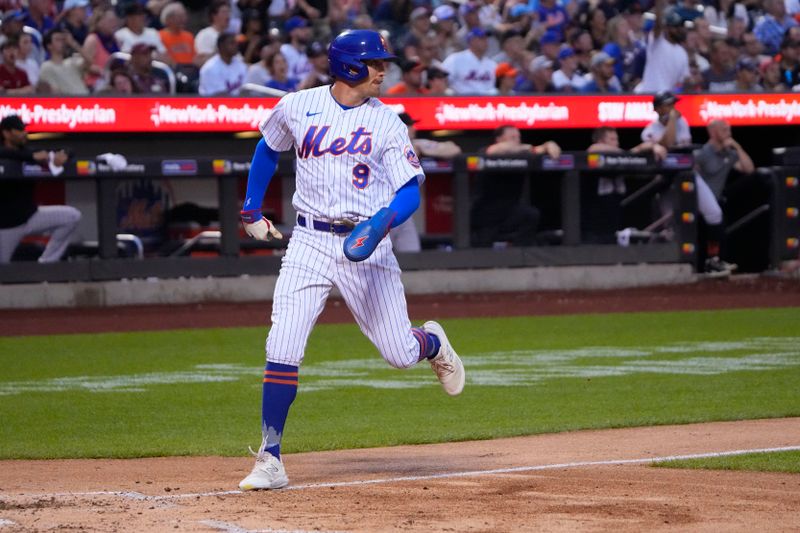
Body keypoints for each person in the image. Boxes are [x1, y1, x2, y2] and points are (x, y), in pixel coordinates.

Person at [237, 29, 465, 491]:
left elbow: (409, 191)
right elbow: (267, 147)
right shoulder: (297, 106)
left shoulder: (387, 122)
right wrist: (250, 209)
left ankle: (433, 344)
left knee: (400, 354)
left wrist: (382, 222)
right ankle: (270, 458)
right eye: (375, 62)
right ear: (349, 66)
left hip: (368, 242)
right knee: (282, 345)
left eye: (384, 62)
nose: (383, 70)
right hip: (309, 241)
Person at [0, 115, 80, 263]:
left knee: (71, 216)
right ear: (6, 133)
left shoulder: (30, 150)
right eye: (19, 130)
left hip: (31, 216)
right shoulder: (13, 153)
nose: (24, 132)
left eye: (24, 129)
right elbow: (7, 154)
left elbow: (68, 149)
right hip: (6, 226)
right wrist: (29, 156)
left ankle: (46, 263)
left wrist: (64, 154)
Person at [470, 125, 561, 248]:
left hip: (509, 212)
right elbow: (498, 150)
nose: (517, 140)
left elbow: (553, 151)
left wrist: (549, 145)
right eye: (512, 137)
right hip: (486, 215)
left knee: (531, 215)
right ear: (498, 139)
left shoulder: (523, 154)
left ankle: (521, 254)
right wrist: (536, 148)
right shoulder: (487, 151)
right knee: (481, 250)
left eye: (518, 137)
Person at [389, 111, 462, 253]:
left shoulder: (416, 144)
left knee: (412, 253)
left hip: (403, 208)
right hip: (379, 207)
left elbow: (454, 149)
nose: (414, 129)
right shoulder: (382, 143)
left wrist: (425, 150)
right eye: (410, 125)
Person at [584, 126, 667, 243]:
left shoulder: (622, 161)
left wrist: (650, 147)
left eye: (616, 139)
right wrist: (636, 150)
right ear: (601, 141)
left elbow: (638, 172)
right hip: (596, 221)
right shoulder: (595, 152)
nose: (616, 143)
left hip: (617, 219)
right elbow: (593, 149)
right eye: (612, 139)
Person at [693, 119, 754, 275]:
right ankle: (709, 263)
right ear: (713, 132)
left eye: (729, 129)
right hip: (697, 204)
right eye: (724, 130)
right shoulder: (703, 153)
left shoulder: (729, 154)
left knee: (718, 230)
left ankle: (714, 261)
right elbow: (691, 175)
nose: (729, 133)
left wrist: (737, 147)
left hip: (715, 202)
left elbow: (749, 169)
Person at [634, 0, 690, 93]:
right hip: (647, 94)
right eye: (676, 27)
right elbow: (658, 24)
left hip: (666, 99)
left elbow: (683, 81)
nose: (680, 30)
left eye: (681, 27)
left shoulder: (682, 53)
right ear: (667, 28)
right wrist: (659, 4)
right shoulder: (658, 41)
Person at [441, 27, 497, 95]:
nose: (485, 41)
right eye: (481, 38)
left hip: (487, 102)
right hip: (463, 102)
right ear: (471, 41)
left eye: (486, 38)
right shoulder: (455, 59)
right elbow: (441, 80)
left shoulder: (492, 64)